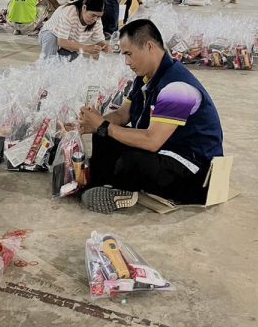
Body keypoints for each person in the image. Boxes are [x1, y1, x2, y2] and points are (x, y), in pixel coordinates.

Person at [78, 19, 224, 214]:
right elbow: (123, 114)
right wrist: (90, 123)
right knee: (104, 136)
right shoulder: (145, 77)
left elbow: (152, 141)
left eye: (129, 54)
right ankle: (101, 181)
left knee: (131, 162)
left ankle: (122, 190)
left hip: (192, 169)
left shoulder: (177, 88)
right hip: (166, 150)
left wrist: (103, 125)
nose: (127, 62)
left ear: (149, 46)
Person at [38, 0, 108, 60]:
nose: (95, 19)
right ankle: (43, 62)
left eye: (99, 16)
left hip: (69, 41)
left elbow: (99, 40)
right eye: (93, 15)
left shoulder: (97, 20)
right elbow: (61, 42)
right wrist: (86, 48)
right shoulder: (69, 12)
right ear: (84, 8)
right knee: (49, 60)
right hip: (51, 35)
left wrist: (105, 46)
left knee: (68, 62)